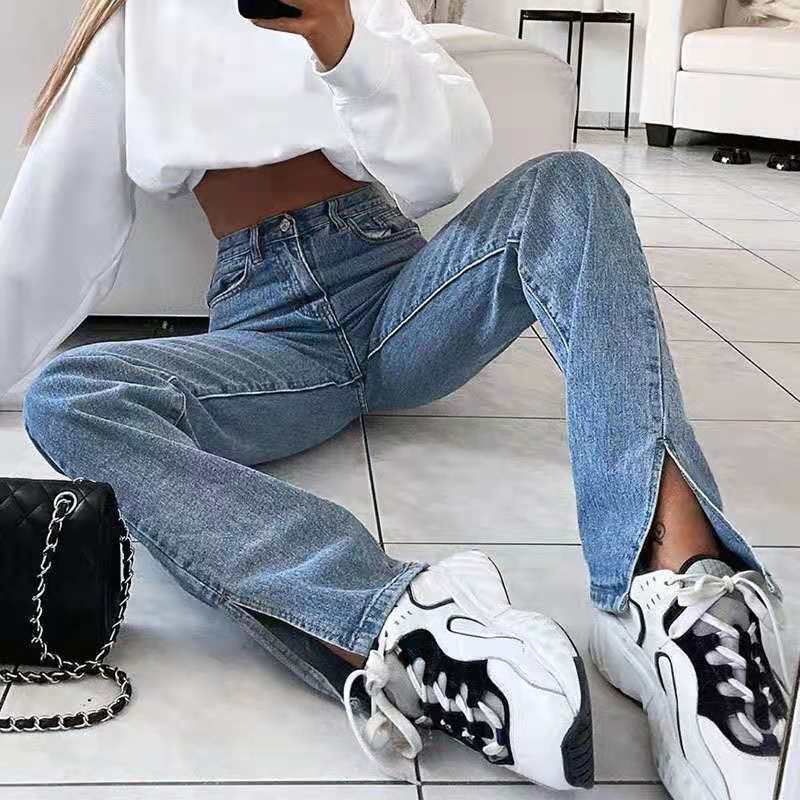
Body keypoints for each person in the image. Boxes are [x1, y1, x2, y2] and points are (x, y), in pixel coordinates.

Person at [0, 0, 790, 796]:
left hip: (399, 294)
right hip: (273, 341)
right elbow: (55, 216)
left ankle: (677, 585)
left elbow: (439, 163)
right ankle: (399, 625)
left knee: (571, 187)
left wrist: (341, 42)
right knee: (70, 395)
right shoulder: (133, 24)